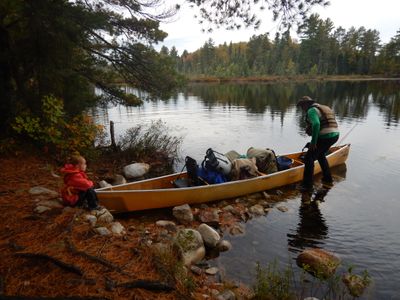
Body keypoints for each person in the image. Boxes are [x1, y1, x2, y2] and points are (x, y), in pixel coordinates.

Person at [297, 96, 340, 191]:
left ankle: (307, 185)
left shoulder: (311, 110)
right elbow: (327, 122)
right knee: (320, 155)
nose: (302, 109)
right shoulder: (325, 107)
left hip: (325, 136)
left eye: (302, 106)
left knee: (309, 158)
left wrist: (313, 142)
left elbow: (316, 124)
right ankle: (328, 179)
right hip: (335, 135)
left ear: (306, 105)